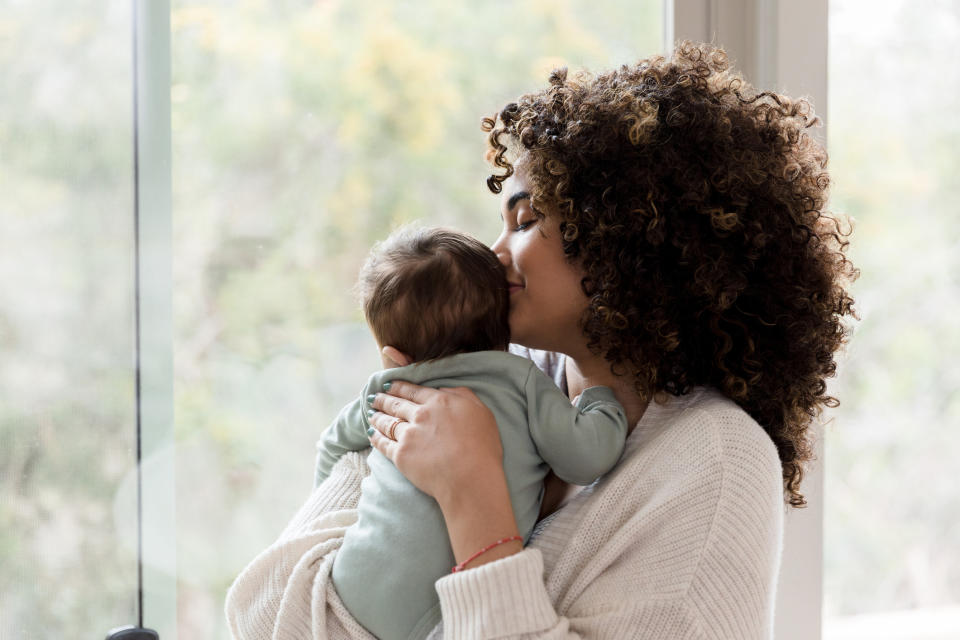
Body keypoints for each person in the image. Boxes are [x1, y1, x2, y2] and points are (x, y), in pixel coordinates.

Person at [225, 41, 857, 639]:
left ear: (627, 240)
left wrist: (475, 499)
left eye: (525, 221)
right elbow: (266, 614)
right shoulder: (488, 372)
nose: (495, 255)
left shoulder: (715, 463)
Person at [312, 225, 628, 640]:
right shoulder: (521, 381)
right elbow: (587, 460)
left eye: (523, 221)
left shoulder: (386, 390)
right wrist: (600, 401)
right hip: (452, 608)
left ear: (392, 357)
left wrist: (343, 515)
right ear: (503, 328)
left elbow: (331, 446)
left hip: (355, 586)